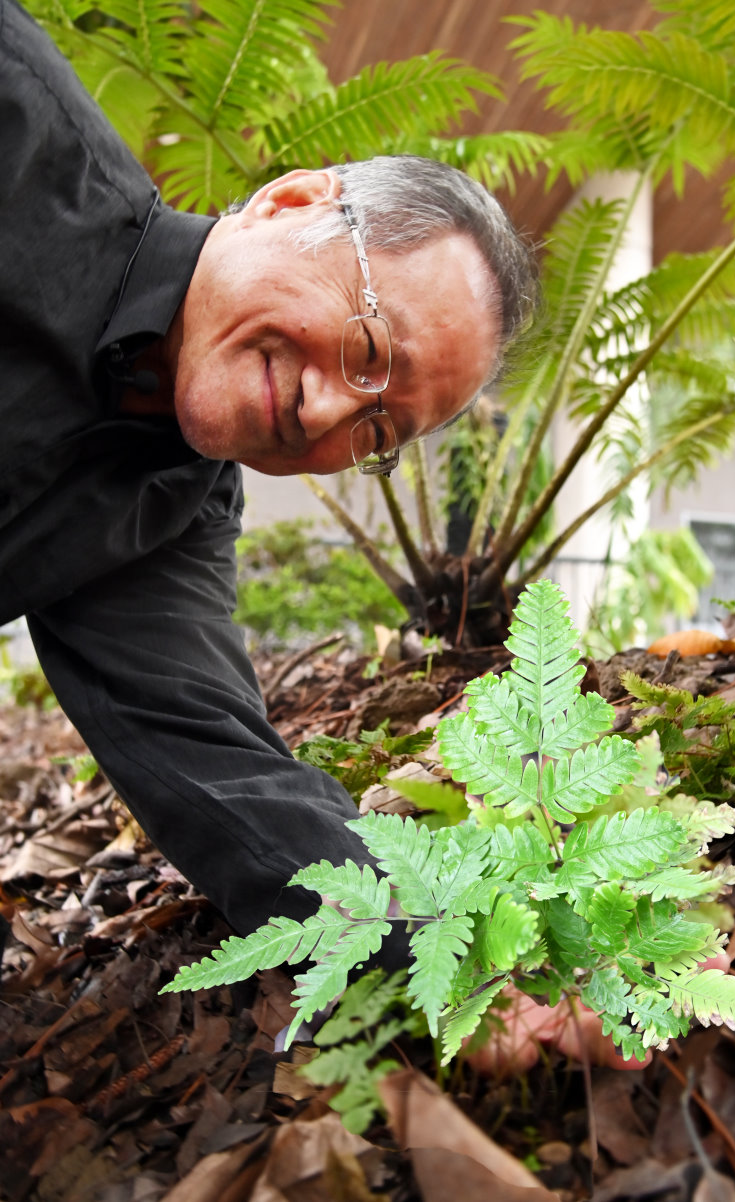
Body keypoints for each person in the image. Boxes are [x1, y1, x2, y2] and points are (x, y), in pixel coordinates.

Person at [1, 0, 535, 970]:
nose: (331, 412)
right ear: (291, 203)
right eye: (368, 348)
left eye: (379, 431)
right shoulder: (18, 123)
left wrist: (476, 964)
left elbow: (225, 775)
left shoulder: (167, 511)